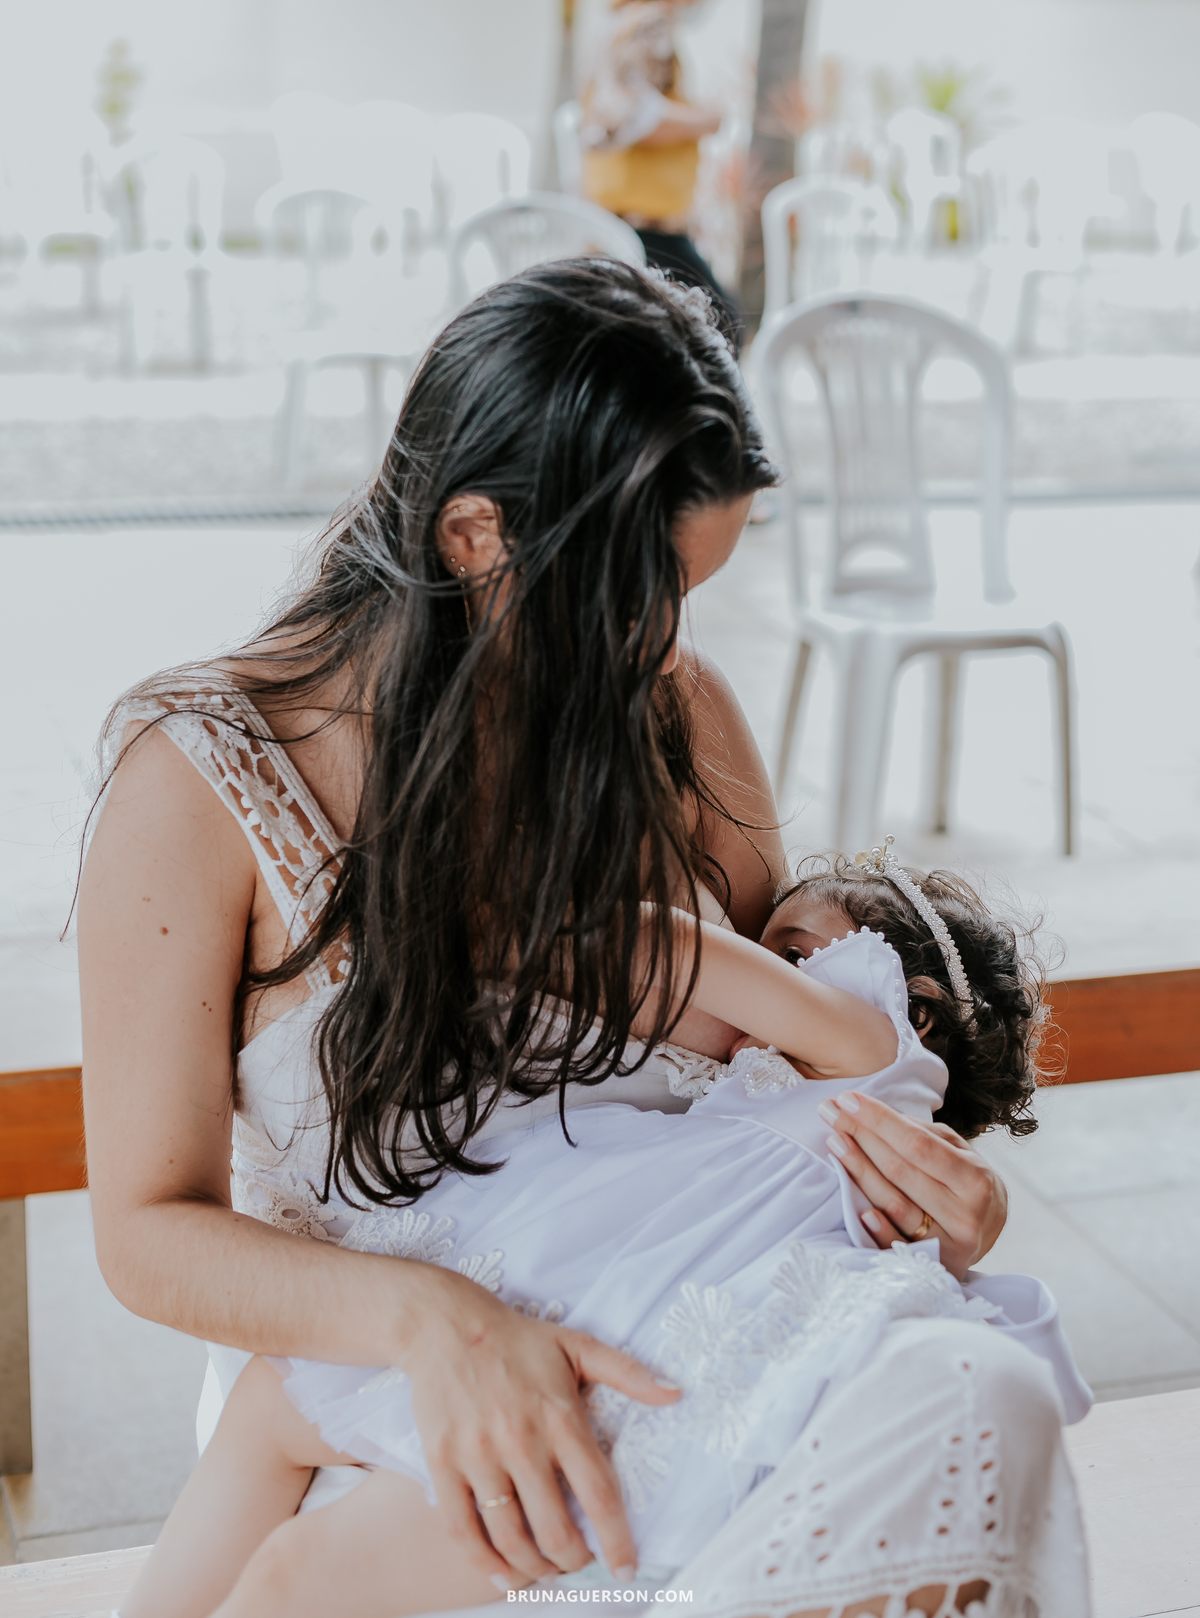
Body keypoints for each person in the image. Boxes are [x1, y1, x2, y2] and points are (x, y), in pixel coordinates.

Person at [80, 262, 1070, 1618]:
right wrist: (438, 1323)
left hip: (682, 1341)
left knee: (992, 1390)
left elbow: (766, 1086)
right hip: (383, 1395)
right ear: (476, 535)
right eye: (642, 588)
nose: (666, 643)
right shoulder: (202, 782)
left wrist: (940, 1210)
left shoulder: (679, 722)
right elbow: (146, 1232)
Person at [117, 845, 1091, 1618]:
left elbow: (672, 950)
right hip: (583, 1300)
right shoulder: (790, 1104)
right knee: (274, 1406)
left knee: (297, 1577)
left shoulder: (875, 1045)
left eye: (793, 950)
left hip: (638, 1371)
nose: (767, 977)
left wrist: (496, 901)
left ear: (907, 998)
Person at [580, 0, 740, 343]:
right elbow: (632, 119)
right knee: (722, 329)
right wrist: (705, 120)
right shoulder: (652, 22)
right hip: (645, 221)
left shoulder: (622, 19)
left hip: (619, 212)